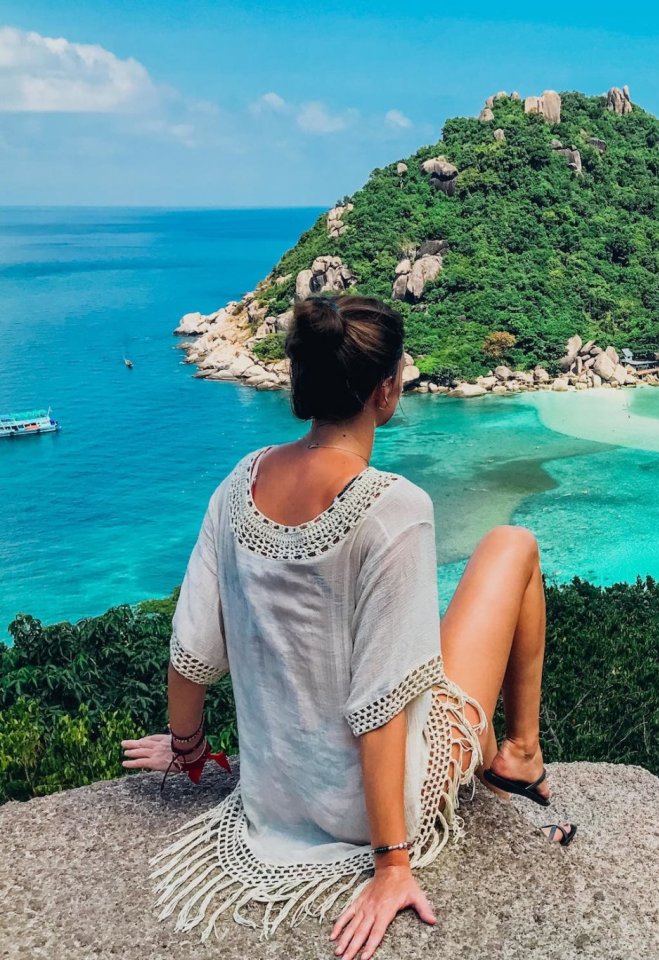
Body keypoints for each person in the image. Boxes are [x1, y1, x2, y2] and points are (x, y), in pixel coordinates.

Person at [121, 296, 571, 959]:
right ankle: (520, 755)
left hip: (276, 797)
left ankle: (518, 757)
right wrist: (392, 866)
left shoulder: (237, 485)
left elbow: (191, 653)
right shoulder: (395, 510)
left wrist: (187, 750)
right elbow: (382, 704)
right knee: (513, 546)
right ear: (385, 390)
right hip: (376, 808)